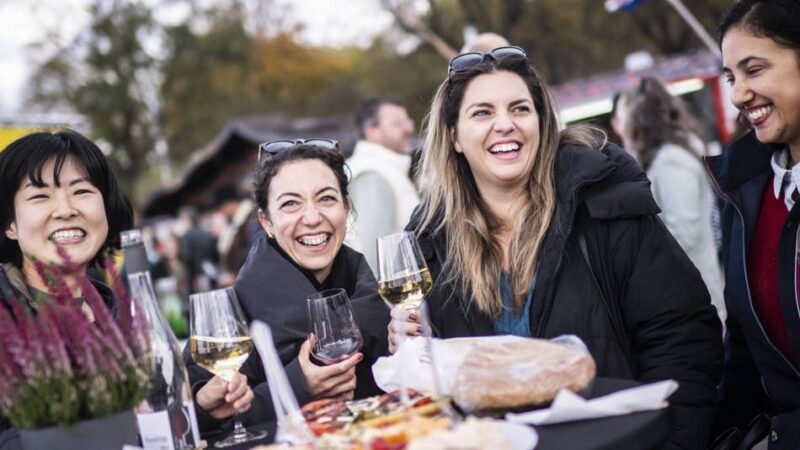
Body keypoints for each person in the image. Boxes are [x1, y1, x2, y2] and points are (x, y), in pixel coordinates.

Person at [389, 46, 722, 449]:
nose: (505, 124)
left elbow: (682, 339)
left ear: (542, 122)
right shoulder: (428, 242)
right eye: (482, 113)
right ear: (455, 136)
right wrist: (408, 353)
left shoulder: (605, 203)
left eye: (520, 109)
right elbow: (431, 392)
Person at [185, 141, 389, 435]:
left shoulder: (375, 298)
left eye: (326, 199)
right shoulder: (234, 312)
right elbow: (197, 423)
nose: (312, 217)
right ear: (266, 221)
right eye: (291, 203)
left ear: (346, 208)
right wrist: (298, 385)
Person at [708, 1, 800, 448]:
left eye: (754, 70)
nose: (738, 94)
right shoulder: (742, 194)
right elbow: (744, 352)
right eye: (731, 76)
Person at [617, 77, 726, 328]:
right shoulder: (666, 160)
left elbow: (683, 236)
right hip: (692, 299)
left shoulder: (671, 163)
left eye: (622, 118)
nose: (619, 128)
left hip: (697, 303)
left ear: (638, 120)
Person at [346, 97, 419, 272]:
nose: (409, 129)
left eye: (408, 121)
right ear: (372, 132)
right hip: (395, 296)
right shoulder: (372, 175)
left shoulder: (385, 170)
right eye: (397, 124)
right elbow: (374, 259)